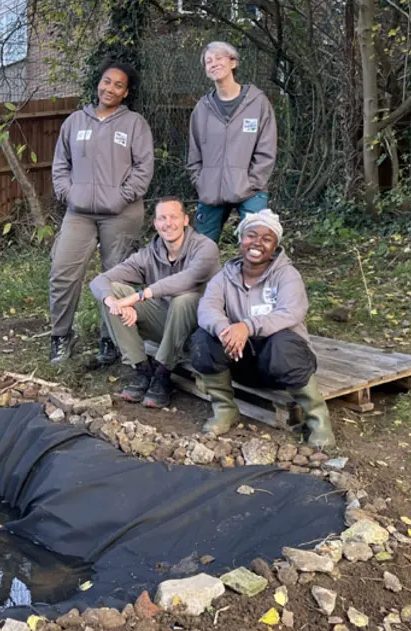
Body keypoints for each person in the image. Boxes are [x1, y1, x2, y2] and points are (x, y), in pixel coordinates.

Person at [190, 209, 333, 447]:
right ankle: (225, 409)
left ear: (275, 245)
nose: (257, 243)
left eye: (266, 239)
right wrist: (226, 329)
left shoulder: (287, 276)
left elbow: (291, 312)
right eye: (251, 236)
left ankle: (318, 421)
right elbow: (207, 308)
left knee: (282, 343)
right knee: (203, 340)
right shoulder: (224, 277)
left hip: (279, 366)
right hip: (241, 363)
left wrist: (247, 326)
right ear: (240, 240)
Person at [49, 60, 155, 366]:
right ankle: (60, 336)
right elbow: (60, 165)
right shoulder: (74, 122)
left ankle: (110, 339)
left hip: (121, 213)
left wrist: (121, 197)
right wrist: (69, 194)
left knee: (116, 277)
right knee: (62, 270)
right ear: (99, 83)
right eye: (106, 81)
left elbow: (143, 168)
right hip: (79, 212)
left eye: (118, 85)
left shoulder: (135, 124)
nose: (110, 88)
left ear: (126, 93)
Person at [89, 196, 220, 407]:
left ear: (186, 220)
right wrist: (116, 302)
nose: (168, 223)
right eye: (162, 218)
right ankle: (142, 369)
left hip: (200, 331)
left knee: (183, 300)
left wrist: (140, 295)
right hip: (166, 323)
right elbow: (99, 281)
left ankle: (163, 372)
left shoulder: (205, 248)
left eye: (174, 217)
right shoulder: (149, 255)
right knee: (112, 291)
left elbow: (187, 280)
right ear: (155, 224)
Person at [186, 41, 278, 243]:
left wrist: (252, 183)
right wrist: (201, 181)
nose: (213, 64)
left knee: (258, 245)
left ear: (233, 62)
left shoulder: (257, 103)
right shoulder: (202, 108)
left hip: (250, 191)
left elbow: (266, 148)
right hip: (211, 191)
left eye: (219, 58)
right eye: (208, 61)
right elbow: (194, 152)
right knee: (199, 251)